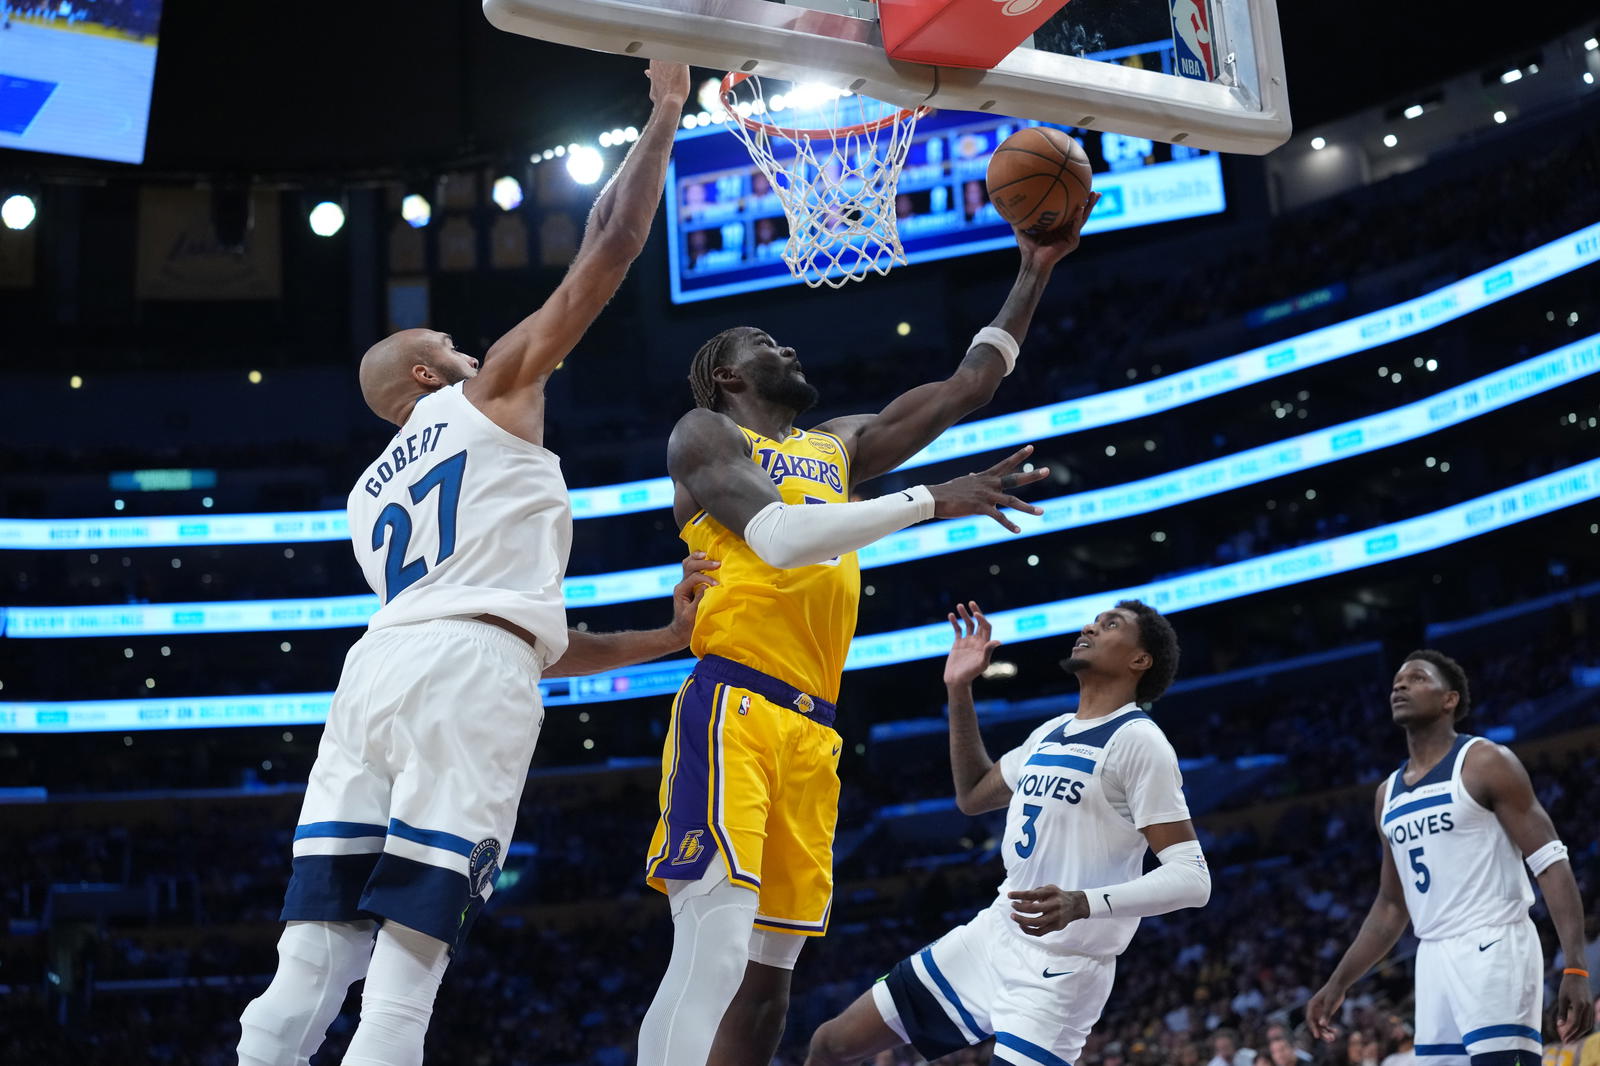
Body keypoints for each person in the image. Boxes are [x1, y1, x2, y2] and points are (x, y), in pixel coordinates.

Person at [235, 61, 694, 1066]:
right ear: (421, 374)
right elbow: (608, 247)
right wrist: (664, 108)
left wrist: (663, 636)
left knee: (312, 956)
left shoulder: (365, 503)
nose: (469, 347)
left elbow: (508, 627)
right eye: (448, 342)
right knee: (409, 957)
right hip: (465, 676)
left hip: (376, 675)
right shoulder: (489, 398)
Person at [636, 196, 1101, 1066]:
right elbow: (778, 539)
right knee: (714, 949)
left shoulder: (839, 446)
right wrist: (934, 499)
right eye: (765, 345)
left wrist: (1031, 273)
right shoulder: (705, 434)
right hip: (732, 706)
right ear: (728, 376)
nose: (789, 349)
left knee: (771, 984)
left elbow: (970, 385)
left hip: (812, 729)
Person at [804, 600, 1211, 1066]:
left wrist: (1083, 902)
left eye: (1110, 625)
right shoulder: (1051, 732)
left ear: (1140, 660)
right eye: (1094, 621)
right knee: (830, 1044)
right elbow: (973, 794)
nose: (1090, 627)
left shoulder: (1139, 742)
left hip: (1062, 970)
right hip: (994, 934)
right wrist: (959, 689)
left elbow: (1193, 878)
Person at [1307, 650, 1595, 1064]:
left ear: (1450, 700)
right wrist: (1339, 982)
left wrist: (1576, 966)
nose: (1400, 686)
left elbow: (1551, 862)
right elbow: (1391, 905)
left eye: (1417, 679)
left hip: (1493, 942)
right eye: (1396, 682)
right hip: (1432, 955)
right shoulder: (1386, 794)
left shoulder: (1484, 762)